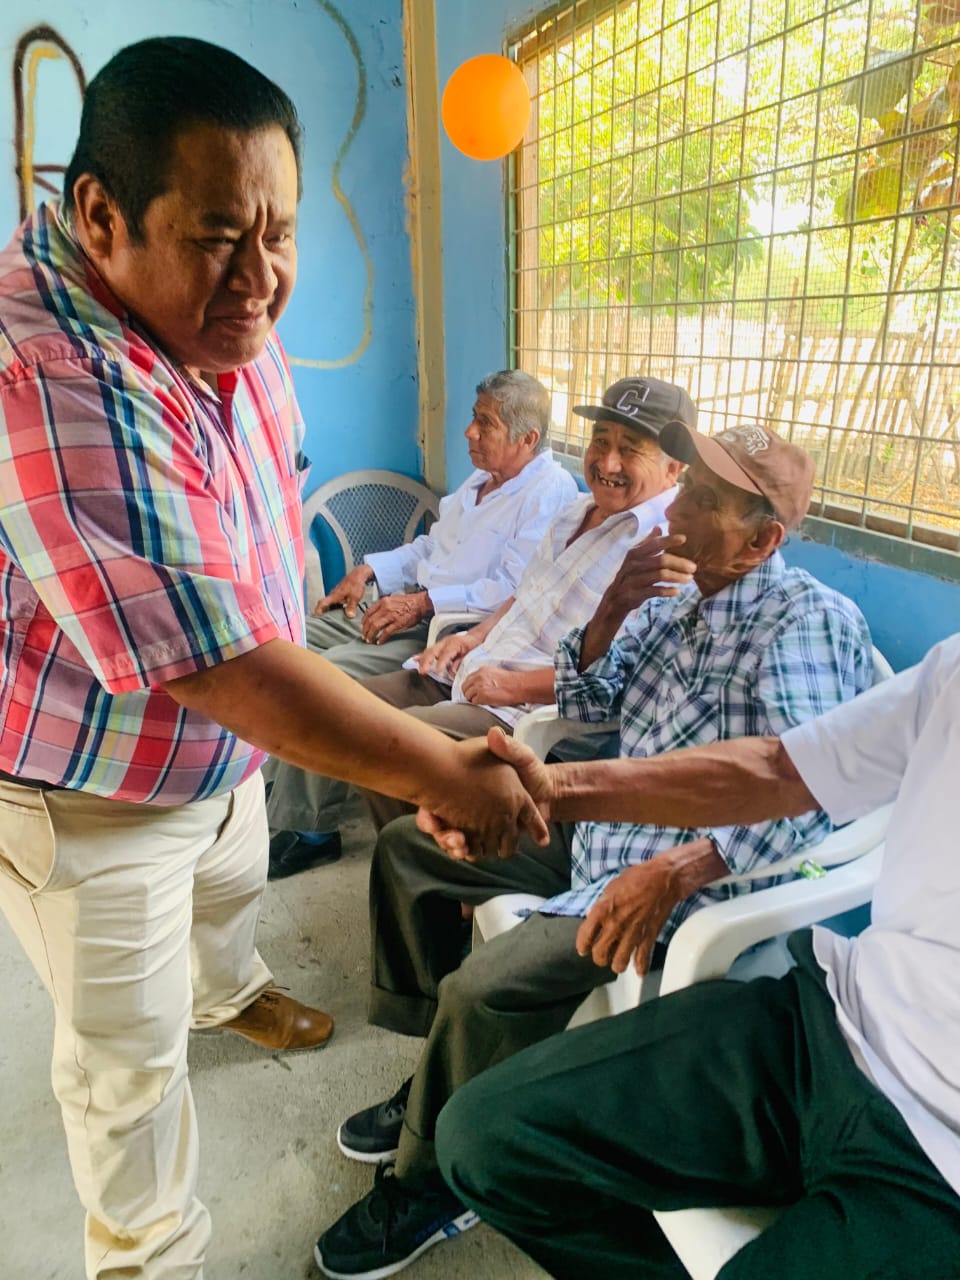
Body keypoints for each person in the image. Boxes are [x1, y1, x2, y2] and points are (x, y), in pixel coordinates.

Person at [0, 38, 544, 1280]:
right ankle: (149, 1255)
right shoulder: (47, 368)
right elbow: (217, 663)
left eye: (282, 234)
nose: (261, 279)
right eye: (217, 238)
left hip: (222, 751)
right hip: (95, 787)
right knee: (126, 1069)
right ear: (102, 215)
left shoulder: (218, 311)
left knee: (232, 883)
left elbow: (266, 498)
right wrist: (439, 770)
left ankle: (228, 986)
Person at [313, 423, 874, 1279]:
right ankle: (442, 1072)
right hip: (607, 828)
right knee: (407, 851)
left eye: (704, 502)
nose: (674, 514)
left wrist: (683, 867)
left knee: (485, 986)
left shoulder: (806, 622)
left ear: (762, 541)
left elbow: (810, 792)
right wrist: (613, 604)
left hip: (682, 876)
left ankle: (430, 1185)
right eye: (686, 490)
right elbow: (588, 696)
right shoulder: (676, 598)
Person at [435, 633, 960, 1280]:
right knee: (483, 1138)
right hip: (834, 1022)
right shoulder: (954, 667)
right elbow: (784, 771)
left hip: (940, 1167)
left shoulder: (801, 624)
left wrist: (682, 867)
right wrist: (552, 788)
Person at [275, 374, 694, 840]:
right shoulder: (576, 510)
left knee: (390, 741)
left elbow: (620, 679)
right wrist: (471, 638)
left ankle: (422, 854)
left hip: (520, 708)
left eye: (630, 449)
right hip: (473, 666)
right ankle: (410, 848)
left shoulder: (662, 553)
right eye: (600, 441)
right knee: (343, 708)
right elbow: (525, 592)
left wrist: (510, 683)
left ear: (674, 467)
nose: (607, 462)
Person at [264, 368, 577, 877]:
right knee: (286, 639)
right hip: (410, 603)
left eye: (485, 423)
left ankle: (309, 827)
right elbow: (432, 546)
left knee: (328, 677)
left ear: (527, 439)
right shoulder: (484, 478)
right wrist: (368, 570)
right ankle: (276, 780)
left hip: (446, 627)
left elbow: (512, 590)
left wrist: (423, 603)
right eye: (474, 418)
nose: (469, 432)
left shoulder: (549, 494)